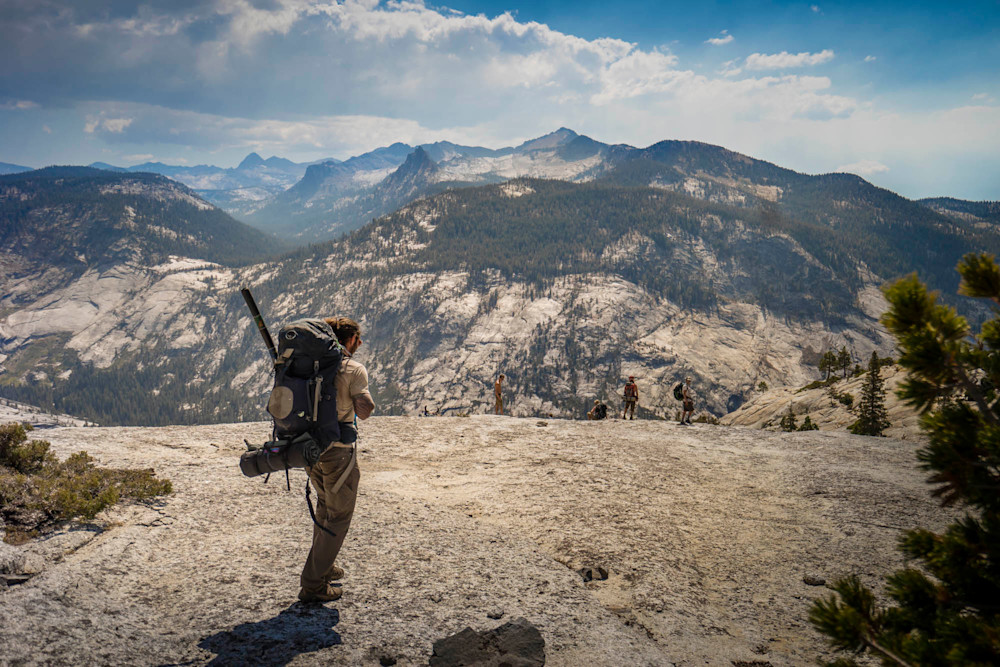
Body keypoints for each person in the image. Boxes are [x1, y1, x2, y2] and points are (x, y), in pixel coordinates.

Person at [298, 317, 375, 604]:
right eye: (358, 338)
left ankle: (324, 566)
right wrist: (357, 400)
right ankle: (313, 585)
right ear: (349, 340)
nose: (361, 343)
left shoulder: (309, 366)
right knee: (339, 516)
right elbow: (365, 410)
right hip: (338, 452)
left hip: (310, 450)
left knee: (324, 509)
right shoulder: (352, 368)